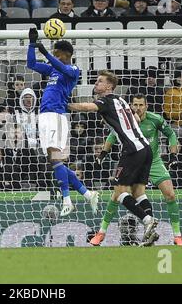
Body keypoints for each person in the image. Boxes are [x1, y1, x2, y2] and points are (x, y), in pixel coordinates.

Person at [68, 70, 159, 246]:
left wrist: (65, 105)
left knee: (119, 193)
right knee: (139, 192)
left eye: (100, 81)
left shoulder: (106, 101)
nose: (96, 83)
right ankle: (150, 232)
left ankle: (148, 221)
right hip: (145, 149)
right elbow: (137, 121)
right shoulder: (122, 100)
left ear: (109, 86)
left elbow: (87, 107)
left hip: (131, 150)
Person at [26, 28, 99, 216]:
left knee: (56, 157)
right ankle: (87, 193)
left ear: (65, 54)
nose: (54, 54)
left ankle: (67, 199)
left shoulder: (73, 70)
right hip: (44, 116)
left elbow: (62, 68)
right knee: (55, 161)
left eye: (56, 52)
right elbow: (31, 63)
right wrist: (32, 44)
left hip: (56, 116)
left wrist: (46, 52)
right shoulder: (52, 69)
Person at [103, 94, 182, 245]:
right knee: (116, 195)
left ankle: (177, 236)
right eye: (135, 105)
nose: (138, 108)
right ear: (131, 106)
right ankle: (101, 233)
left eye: (141, 105)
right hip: (133, 161)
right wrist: (103, 153)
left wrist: (173, 154)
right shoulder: (126, 121)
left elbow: (171, 134)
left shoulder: (155, 119)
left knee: (170, 195)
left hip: (153, 161)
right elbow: (112, 137)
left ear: (146, 106)